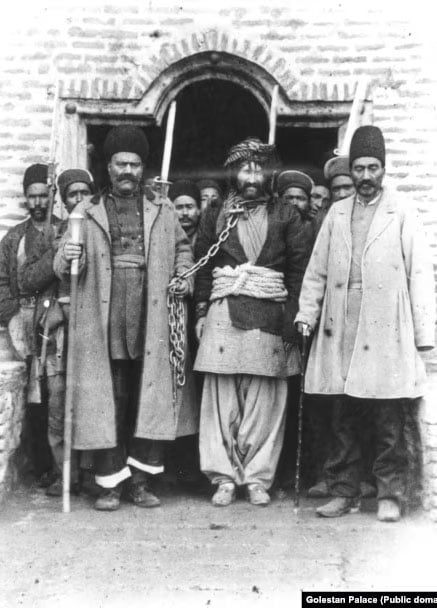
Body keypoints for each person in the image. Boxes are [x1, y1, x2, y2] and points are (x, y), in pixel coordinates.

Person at [295, 125, 435, 522]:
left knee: (388, 419)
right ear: (350, 171)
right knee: (342, 416)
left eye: (373, 167)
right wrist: (307, 314)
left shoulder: (402, 211)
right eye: (359, 168)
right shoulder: (337, 213)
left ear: (384, 169)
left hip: (386, 328)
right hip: (342, 327)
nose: (366, 176)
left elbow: (419, 274)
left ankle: (391, 494)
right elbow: (316, 272)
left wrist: (424, 335)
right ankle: (343, 491)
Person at [54, 125, 195, 511]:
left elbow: (183, 249)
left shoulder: (162, 210)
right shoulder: (86, 212)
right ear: (108, 167)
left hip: (150, 314)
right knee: (110, 399)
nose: (128, 171)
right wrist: (66, 255)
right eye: (120, 164)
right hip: (106, 314)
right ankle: (110, 484)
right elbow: (63, 262)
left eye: (134, 164)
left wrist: (184, 275)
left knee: (145, 397)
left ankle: (141, 482)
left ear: (143, 168)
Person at [194, 137, 309, 507]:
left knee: (265, 402)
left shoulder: (286, 216)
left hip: (271, 317)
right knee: (220, 399)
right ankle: (224, 477)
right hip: (224, 314)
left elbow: (298, 273)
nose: (252, 176)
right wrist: (198, 311)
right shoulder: (216, 214)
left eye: (259, 169)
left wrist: (294, 319)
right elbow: (203, 267)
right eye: (245, 168)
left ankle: (258, 477)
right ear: (233, 172)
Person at [18, 168, 95, 496]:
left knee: (92, 403)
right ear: (62, 200)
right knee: (58, 404)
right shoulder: (54, 232)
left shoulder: (102, 227)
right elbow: (30, 280)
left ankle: (92, 473)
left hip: (92, 331)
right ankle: (67, 473)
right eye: (71, 195)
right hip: (60, 335)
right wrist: (60, 254)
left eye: (83, 193)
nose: (78, 200)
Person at [0, 164, 59, 490]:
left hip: (55, 317)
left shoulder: (63, 230)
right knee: (34, 395)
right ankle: (40, 465)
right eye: (31, 197)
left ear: (51, 196)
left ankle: (63, 464)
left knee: (56, 391)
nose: (37, 203)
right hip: (24, 317)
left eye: (43, 196)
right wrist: (12, 318)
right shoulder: (14, 238)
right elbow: (2, 283)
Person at [169, 179, 201, 247]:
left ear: (199, 210)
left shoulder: (209, 239)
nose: (185, 213)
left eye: (189, 207)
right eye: (179, 207)